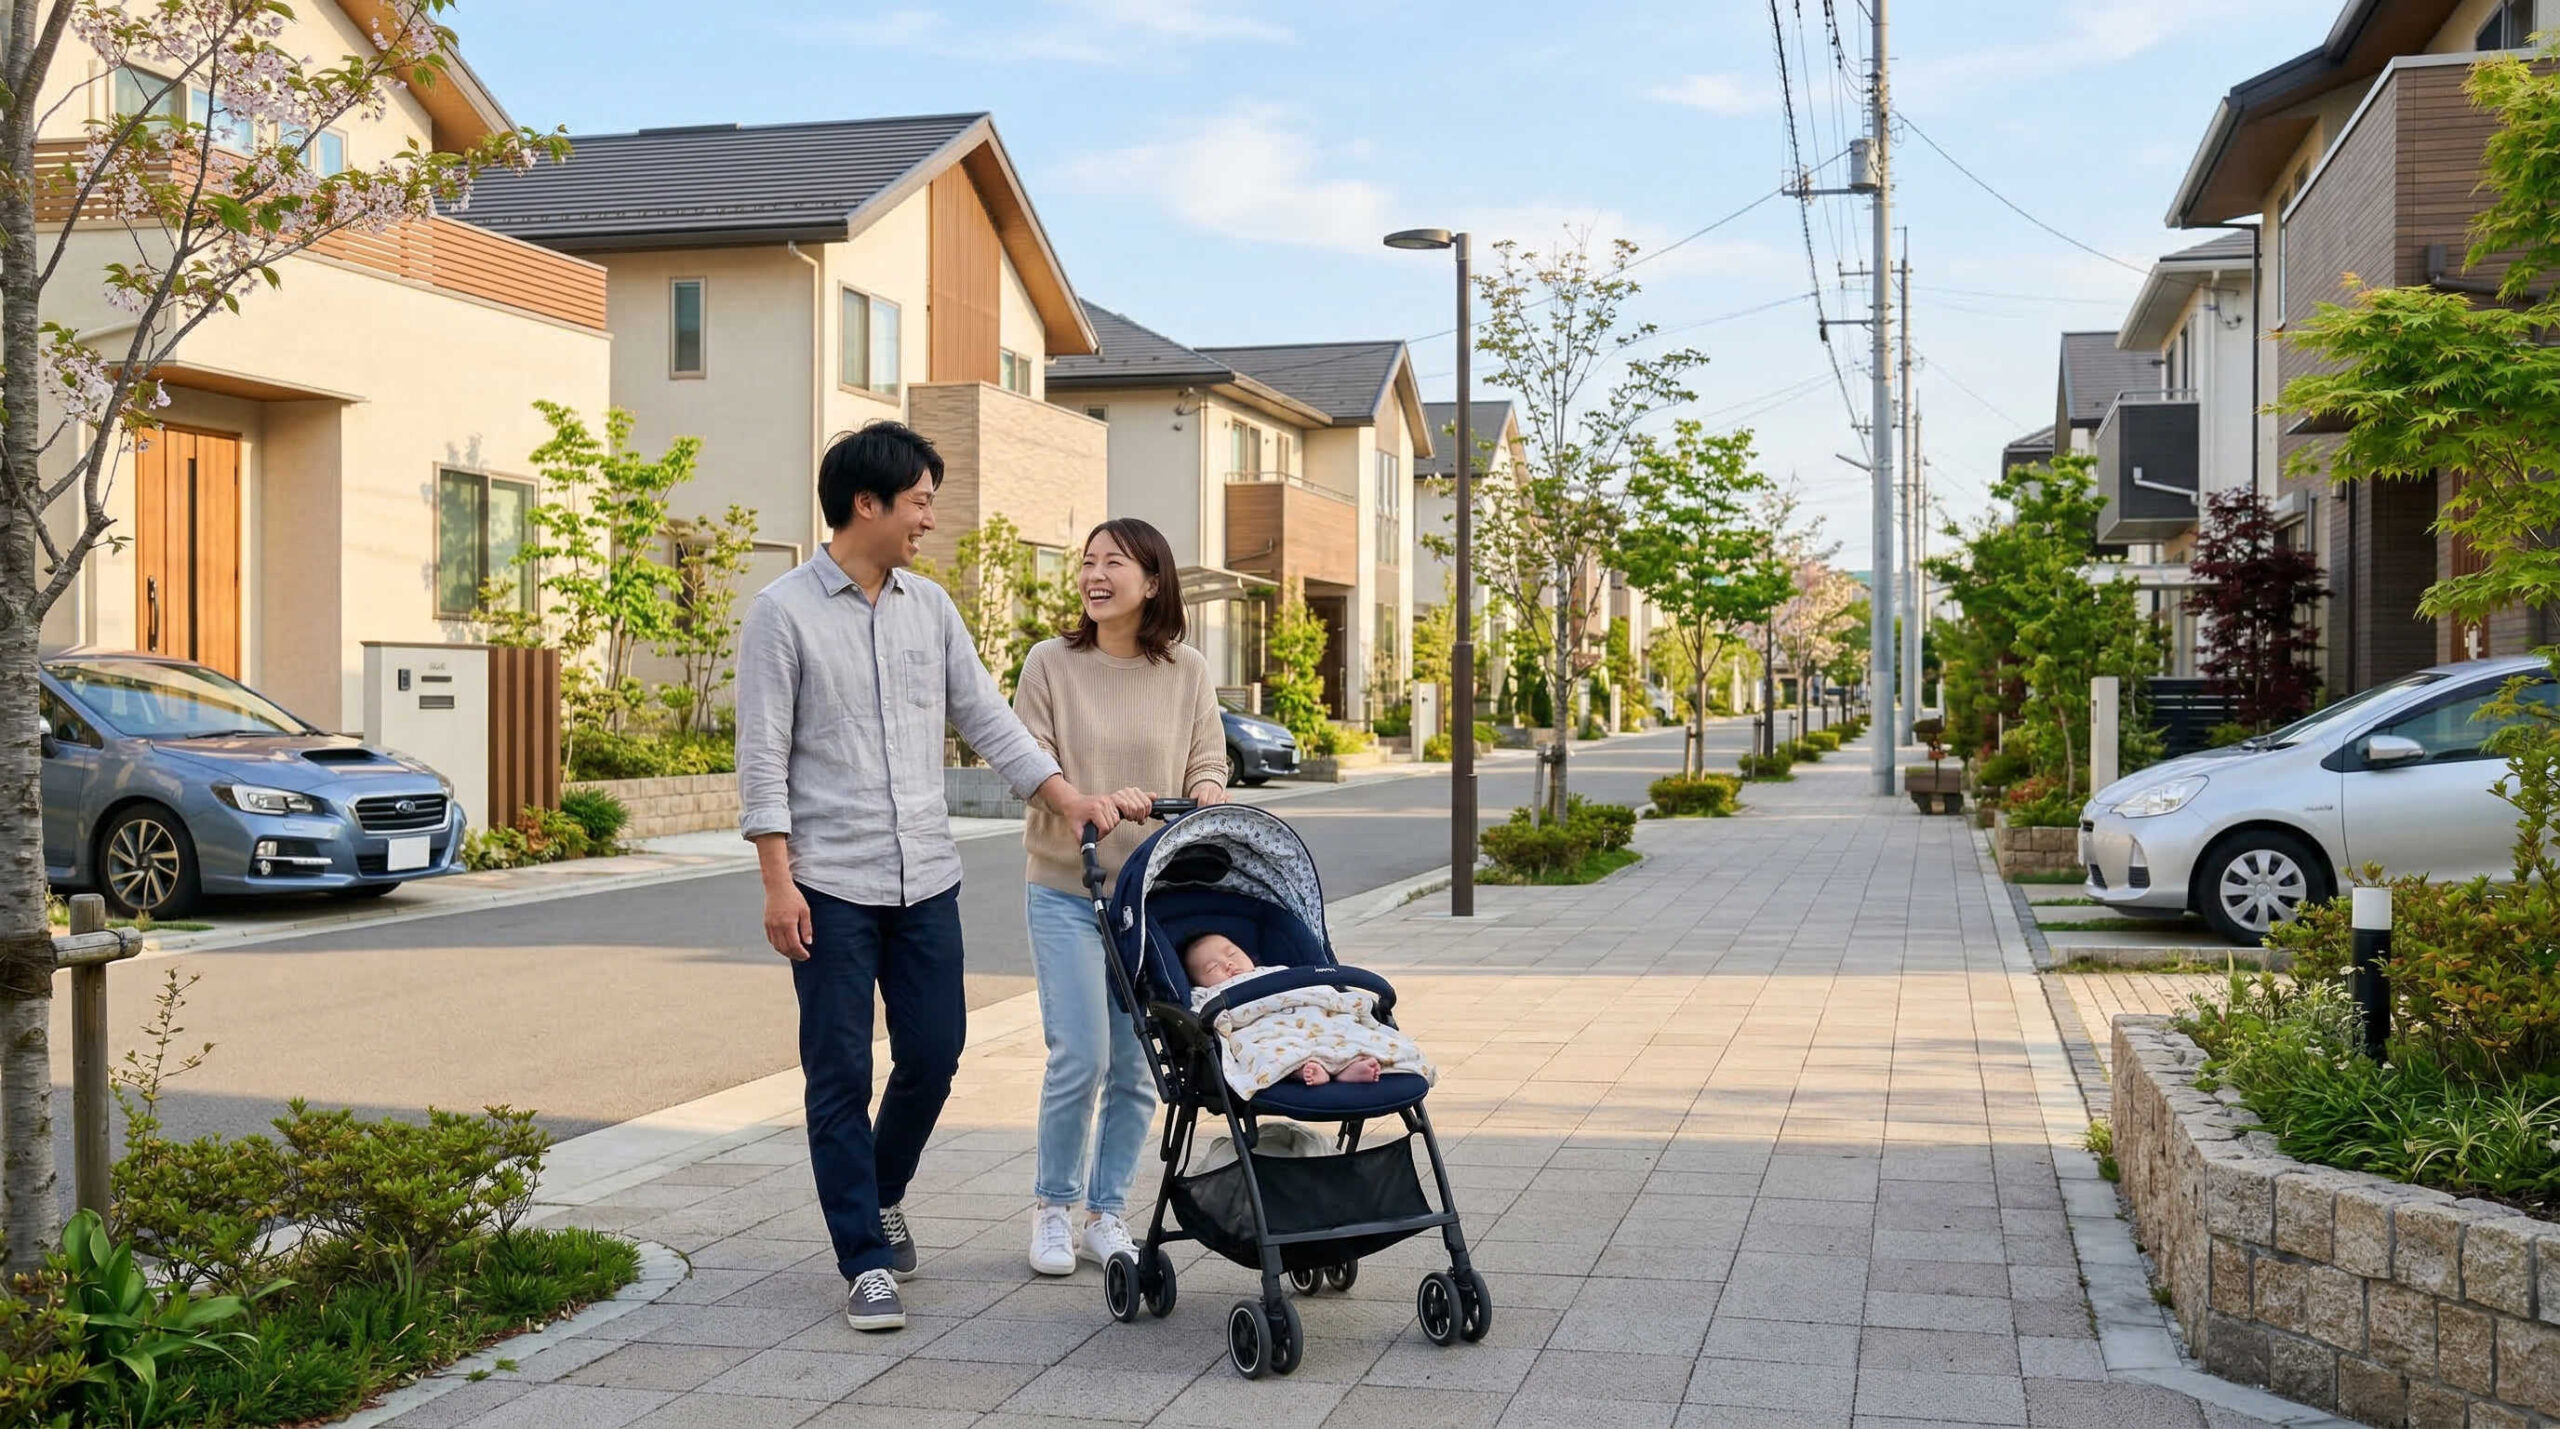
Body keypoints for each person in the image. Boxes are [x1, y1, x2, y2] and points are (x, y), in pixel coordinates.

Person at [735, 421, 1121, 1333]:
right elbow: (762, 756)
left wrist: (1068, 798)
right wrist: (776, 881)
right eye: (918, 501)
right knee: (836, 1071)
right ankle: (864, 1257)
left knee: (935, 1054)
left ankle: (881, 1191)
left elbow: (987, 718)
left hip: (924, 881)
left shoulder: (929, 606)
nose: (929, 518)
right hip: (827, 881)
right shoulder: (781, 612)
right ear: (865, 503)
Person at [1012, 517, 1230, 1276]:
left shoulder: (1187, 669)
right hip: (1069, 887)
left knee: (1140, 1065)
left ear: (1153, 580)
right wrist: (1086, 797)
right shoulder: (1050, 664)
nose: (1094, 574)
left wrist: (1205, 786)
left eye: (1114, 562)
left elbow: (1209, 754)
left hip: (1153, 899)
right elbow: (1027, 757)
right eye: (1088, 561)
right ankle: (1052, 1207)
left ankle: (1107, 1212)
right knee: (1081, 1052)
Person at [1182, 931, 1436, 1097]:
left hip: (1311, 1015)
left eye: (1232, 954)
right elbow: (1204, 1018)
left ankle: (1349, 1064)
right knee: (1264, 1049)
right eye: (1212, 967)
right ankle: (1301, 1068)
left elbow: (1317, 990)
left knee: (1342, 1029)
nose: (1228, 963)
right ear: (1200, 982)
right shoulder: (1208, 995)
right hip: (1263, 1028)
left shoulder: (1277, 972)